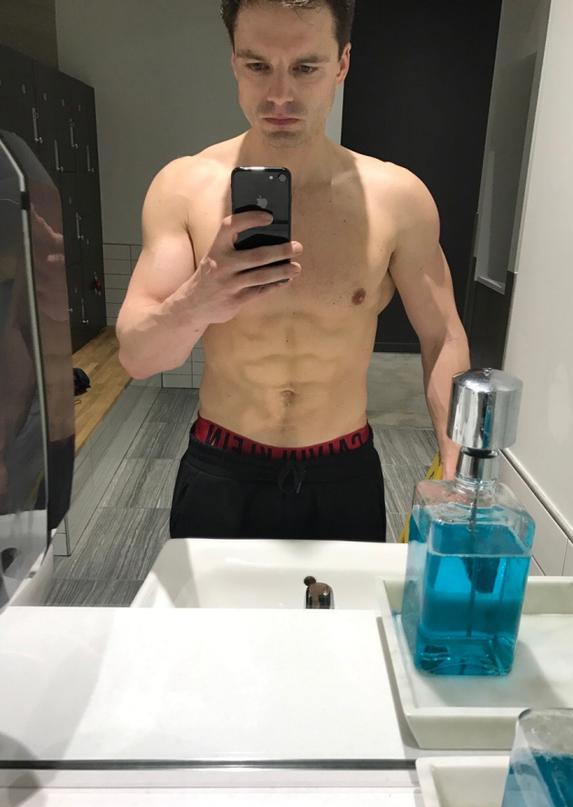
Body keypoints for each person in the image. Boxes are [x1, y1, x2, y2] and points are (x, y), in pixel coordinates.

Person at [116, 0, 471, 542]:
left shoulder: (397, 199)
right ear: (234, 63)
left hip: (342, 472)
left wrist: (457, 468)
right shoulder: (183, 188)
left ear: (342, 64)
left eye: (305, 67)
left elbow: (442, 336)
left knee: (345, 605)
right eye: (258, 65)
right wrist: (198, 300)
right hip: (222, 468)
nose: (279, 94)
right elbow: (138, 359)